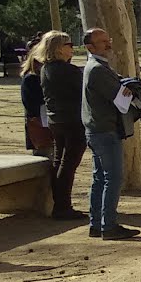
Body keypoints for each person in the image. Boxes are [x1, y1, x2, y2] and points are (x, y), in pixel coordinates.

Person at [80, 27, 138, 240]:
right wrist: (131, 92)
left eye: (108, 39)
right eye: (103, 42)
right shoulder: (97, 69)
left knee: (99, 178)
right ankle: (109, 225)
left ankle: (97, 224)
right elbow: (121, 100)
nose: (109, 44)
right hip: (104, 131)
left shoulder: (98, 67)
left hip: (97, 130)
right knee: (112, 178)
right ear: (90, 47)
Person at [38, 33, 88, 220]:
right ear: (59, 48)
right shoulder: (67, 70)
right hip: (72, 121)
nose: (72, 48)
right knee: (68, 165)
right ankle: (63, 207)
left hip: (56, 121)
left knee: (59, 162)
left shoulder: (46, 68)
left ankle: (59, 204)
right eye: (69, 44)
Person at [19, 34, 55, 157]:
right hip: (40, 126)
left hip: (48, 126)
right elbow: (33, 106)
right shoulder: (31, 79)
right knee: (44, 158)